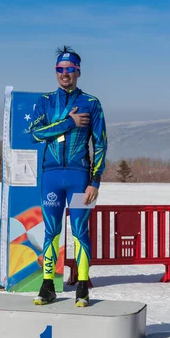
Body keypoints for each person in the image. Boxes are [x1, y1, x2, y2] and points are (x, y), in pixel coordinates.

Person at [27, 46, 107, 307]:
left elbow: (102, 144)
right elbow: (34, 134)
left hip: (79, 177)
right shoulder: (45, 101)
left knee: (80, 231)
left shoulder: (91, 103)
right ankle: (48, 284)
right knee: (51, 231)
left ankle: (82, 286)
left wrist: (95, 181)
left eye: (70, 69)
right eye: (60, 69)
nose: (65, 74)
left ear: (78, 72)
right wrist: (69, 123)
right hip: (51, 176)